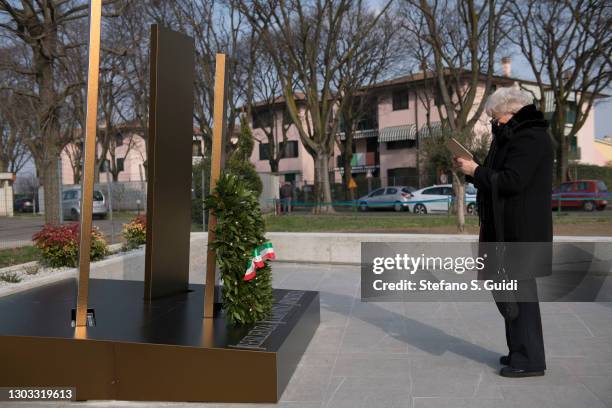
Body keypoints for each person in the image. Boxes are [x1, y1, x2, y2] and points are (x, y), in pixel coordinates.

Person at [453, 87, 552, 378]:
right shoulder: (512, 136)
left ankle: (530, 359)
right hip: (505, 228)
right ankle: (519, 350)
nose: (493, 122)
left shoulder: (530, 138)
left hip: (520, 231)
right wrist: (471, 170)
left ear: (512, 112)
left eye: (495, 117)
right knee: (509, 294)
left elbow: (512, 181)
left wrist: (476, 171)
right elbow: (494, 177)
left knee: (521, 296)